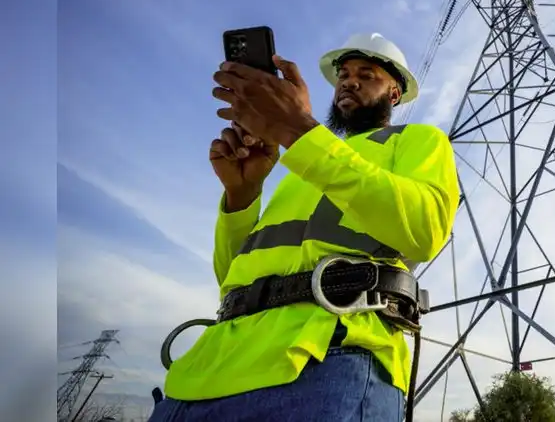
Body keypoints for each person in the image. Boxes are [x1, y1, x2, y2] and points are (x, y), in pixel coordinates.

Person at [149, 33, 459, 422]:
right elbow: (232, 279)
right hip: (204, 373)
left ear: (394, 93)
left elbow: (424, 230)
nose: (349, 81)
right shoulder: (303, 166)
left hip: (331, 361)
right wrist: (241, 196)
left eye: (367, 75)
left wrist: (299, 130)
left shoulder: (414, 140)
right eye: (344, 74)